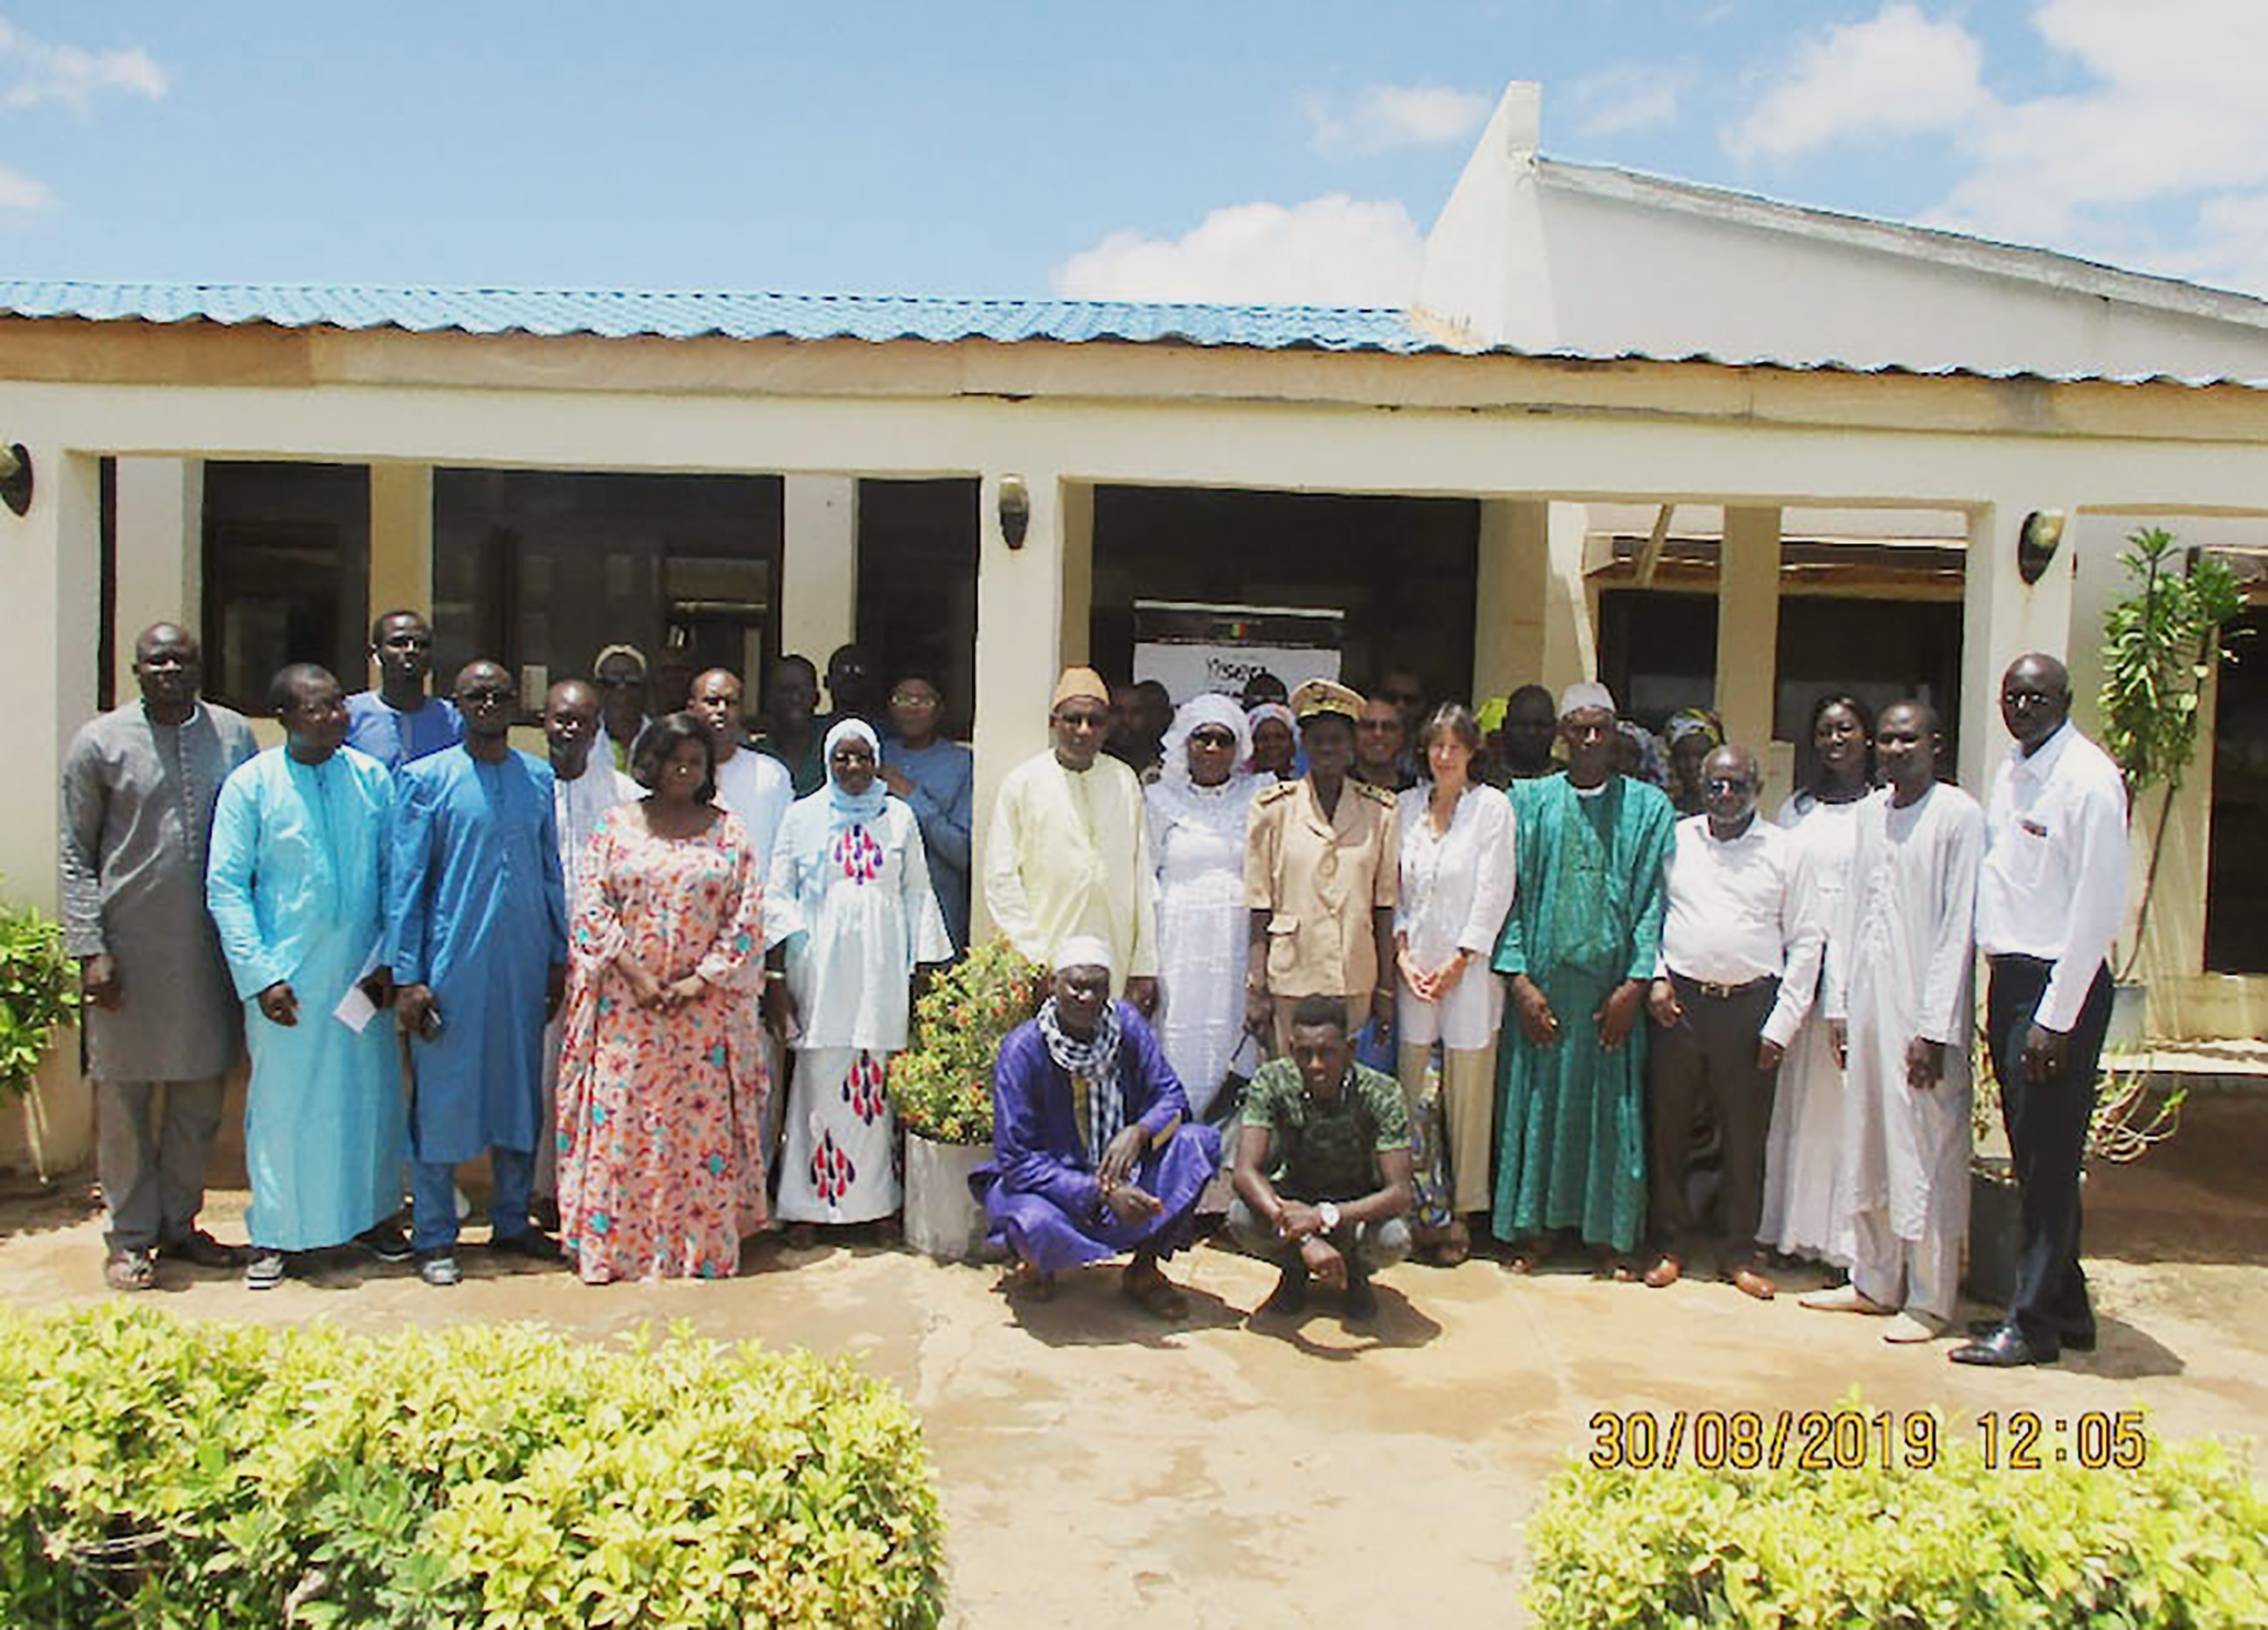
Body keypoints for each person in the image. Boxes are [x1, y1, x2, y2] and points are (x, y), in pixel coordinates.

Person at [60, 622, 258, 1291]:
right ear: (136, 668)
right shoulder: (99, 742)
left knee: (200, 1097)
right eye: (157, 660)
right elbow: (74, 854)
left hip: (209, 948)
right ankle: (130, 1236)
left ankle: (179, 1224)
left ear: (202, 666)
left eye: (183, 658)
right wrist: (90, 947)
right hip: (128, 953)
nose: (170, 668)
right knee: (124, 1102)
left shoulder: (232, 735)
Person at [206, 665, 410, 1287]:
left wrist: (388, 965)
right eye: (316, 708)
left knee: (369, 1098)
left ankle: (374, 1217)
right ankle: (277, 1233)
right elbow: (226, 886)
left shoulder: (371, 779)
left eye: (337, 707)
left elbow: (396, 878)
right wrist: (260, 975)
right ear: (285, 716)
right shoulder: (252, 786)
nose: (333, 718)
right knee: (284, 1107)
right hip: (286, 983)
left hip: (364, 976)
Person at [1952, 654, 2128, 1368]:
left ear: (2066, 698)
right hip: (2014, 977)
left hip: (2061, 987)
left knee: (2049, 1164)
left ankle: (2031, 1325)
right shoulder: (2013, 768)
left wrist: (2057, 1016)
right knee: (2035, 1157)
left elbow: (2098, 907)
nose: (2021, 706)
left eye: (2037, 695)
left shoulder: (2088, 779)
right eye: (2012, 695)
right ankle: (2069, 1304)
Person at [555, 713, 769, 1283]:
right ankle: (616, 1251)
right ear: (648, 761)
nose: (684, 768)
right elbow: (591, 907)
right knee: (626, 1124)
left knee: (696, 1135)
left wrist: (699, 981)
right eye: (673, 757)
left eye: (695, 760)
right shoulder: (615, 826)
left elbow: (746, 917)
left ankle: (697, 1251)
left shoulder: (729, 832)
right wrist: (637, 975)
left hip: (703, 1015)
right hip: (628, 1011)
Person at [1802, 702, 1983, 1343]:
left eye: (1909, 739)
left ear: (1937, 742)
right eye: (1886, 740)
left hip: (1924, 1016)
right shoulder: (1871, 814)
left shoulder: (1959, 817)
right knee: (1870, 1139)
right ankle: (1874, 1278)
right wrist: (1841, 1005)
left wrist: (1935, 1028)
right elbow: (1851, 914)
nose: (1896, 749)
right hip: (1869, 1007)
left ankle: (1931, 1299)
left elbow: (1957, 927)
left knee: (1926, 1147)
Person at [388, 660, 570, 1286]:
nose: (489, 704)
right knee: (443, 1098)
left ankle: (512, 1221)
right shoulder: (424, 780)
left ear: (515, 704)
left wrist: (557, 954)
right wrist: (408, 974)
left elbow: (550, 871)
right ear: (457, 704)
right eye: (476, 695)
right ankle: (435, 1234)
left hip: (521, 964)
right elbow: (408, 881)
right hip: (450, 965)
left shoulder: (537, 778)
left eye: (499, 695)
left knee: (519, 1094)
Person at [1491, 682, 1674, 1274]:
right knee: (1540, 1107)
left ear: (1617, 733)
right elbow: (1507, 897)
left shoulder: (1648, 808)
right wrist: (1518, 981)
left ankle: (1608, 1232)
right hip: (1543, 991)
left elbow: (1655, 901)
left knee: (1608, 1114)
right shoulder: (1529, 802)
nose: (1591, 739)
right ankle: (1534, 1229)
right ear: (1563, 736)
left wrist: (1636, 981)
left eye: (1602, 728)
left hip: (1610, 997)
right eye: (1580, 729)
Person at [1642, 745, 1824, 1301]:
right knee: (1668, 1131)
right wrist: (1655, 977)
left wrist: (1781, 1026)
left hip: (1750, 1009)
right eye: (1715, 785)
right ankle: (1670, 1243)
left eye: (1737, 786)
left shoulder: (1786, 851)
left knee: (1744, 1139)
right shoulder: (1678, 840)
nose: (1725, 796)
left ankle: (1738, 1251)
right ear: (1700, 786)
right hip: (1680, 1005)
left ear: (1756, 789)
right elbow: (1651, 913)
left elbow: (1808, 940)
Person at [765, 719, 952, 1241]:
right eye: (842, 758)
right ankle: (806, 1209)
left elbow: (917, 894)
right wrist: (777, 977)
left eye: (862, 757)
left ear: (876, 761)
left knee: (872, 1090)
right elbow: (777, 897)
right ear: (828, 762)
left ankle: (874, 1208)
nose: (852, 768)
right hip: (819, 974)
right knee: (816, 1090)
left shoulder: (900, 819)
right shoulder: (801, 817)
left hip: (879, 974)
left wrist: (924, 973)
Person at [970, 941, 1221, 1316]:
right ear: (1054, 984)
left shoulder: (1127, 1025)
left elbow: (1172, 1097)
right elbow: (1017, 1159)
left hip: (1125, 1173)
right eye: (1076, 986)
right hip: (1054, 1189)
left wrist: (1139, 1132)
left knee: (1196, 1144)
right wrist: (1100, 1193)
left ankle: (1144, 1270)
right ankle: (1041, 1262)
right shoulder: (1023, 1049)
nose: (1087, 997)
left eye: (1098, 987)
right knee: (1031, 1222)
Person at [1394, 703, 1516, 1263]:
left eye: (1455, 747)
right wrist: (1401, 955)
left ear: (1472, 753)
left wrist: (1461, 961)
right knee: (1413, 1087)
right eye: (1436, 746)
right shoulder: (1405, 807)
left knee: (1467, 1091)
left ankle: (1462, 1212)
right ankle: (1418, 1208)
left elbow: (1494, 891)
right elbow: (1394, 892)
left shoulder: (1491, 810)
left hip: (1467, 972)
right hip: (1414, 970)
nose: (1444, 756)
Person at [1759, 694, 1875, 1270]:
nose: (1835, 740)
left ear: (1868, 737)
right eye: (1825, 730)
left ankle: (1846, 1244)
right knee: (1799, 1107)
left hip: (1859, 977)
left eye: (1846, 729)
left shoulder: (1883, 809)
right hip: (1800, 974)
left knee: (1846, 1109)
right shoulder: (1795, 810)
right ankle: (1794, 1233)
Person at [983, 667, 1159, 1011]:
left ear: (1107, 726)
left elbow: (1142, 876)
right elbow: (1000, 879)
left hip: (1115, 951)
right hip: (1047, 955)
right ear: (1054, 722)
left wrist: (1144, 964)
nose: (1083, 730)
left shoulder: (1124, 781)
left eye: (1094, 721)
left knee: (1108, 1054)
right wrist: (1033, 958)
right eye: (1073, 719)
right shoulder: (1024, 784)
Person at [1228, 995, 1415, 1319]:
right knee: (1241, 1217)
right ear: (1290, 1048)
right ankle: (1294, 1273)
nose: (1315, 1065)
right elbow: (1245, 1172)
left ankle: (1356, 1274)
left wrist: (1324, 1217)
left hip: (1355, 1210)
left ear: (1350, 1049)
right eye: (1304, 1053)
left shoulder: (1382, 1093)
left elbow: (1399, 1192)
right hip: (1293, 1204)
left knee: (1393, 1239)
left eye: (1327, 1053)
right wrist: (1303, 1237)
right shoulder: (1272, 1081)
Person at [533, 678, 641, 1227]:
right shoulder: (527, 786)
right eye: (560, 718)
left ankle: (590, 1187)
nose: (570, 729)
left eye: (582, 720)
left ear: (598, 728)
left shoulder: (623, 796)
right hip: (538, 963)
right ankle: (541, 1192)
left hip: (609, 966)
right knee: (542, 1079)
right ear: (544, 721)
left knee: (596, 1082)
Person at [1244, 680, 1399, 1057]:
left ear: (1352, 746)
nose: (1327, 748)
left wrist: (1384, 991)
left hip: (1353, 975)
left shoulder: (1381, 812)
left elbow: (1383, 909)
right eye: (1318, 739)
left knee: (1346, 1096)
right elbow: (1259, 907)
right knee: (1290, 1092)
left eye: (1337, 739)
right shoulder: (1272, 809)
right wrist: (1256, 988)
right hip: (1291, 976)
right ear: (1304, 744)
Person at [1144, 694, 1260, 1118]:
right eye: (1203, 738)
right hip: (1176, 947)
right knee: (1179, 1036)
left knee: (1232, 1036)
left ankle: (1227, 1150)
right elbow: (1145, 879)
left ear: (1238, 748)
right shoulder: (1158, 800)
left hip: (1234, 945)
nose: (1212, 749)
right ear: (1184, 744)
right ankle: (1173, 1138)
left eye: (1223, 740)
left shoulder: (1258, 798)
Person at [878, 669, 974, 954]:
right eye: (903, 699)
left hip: (939, 912)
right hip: (881, 908)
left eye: (924, 701)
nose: (913, 708)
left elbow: (961, 853)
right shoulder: (875, 755)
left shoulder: (961, 763)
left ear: (940, 709)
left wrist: (912, 796)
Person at [690, 668, 793, 869]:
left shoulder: (771, 774)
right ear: (691, 709)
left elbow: (786, 851)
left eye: (731, 703)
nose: (721, 710)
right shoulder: (675, 776)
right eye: (712, 702)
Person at [344, 610, 463, 772]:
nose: (411, 650)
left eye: (422, 644)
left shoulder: (453, 720)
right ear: (375, 654)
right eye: (399, 643)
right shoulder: (348, 716)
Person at [754, 654, 826, 797]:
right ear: (769, 699)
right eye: (786, 690)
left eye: (802, 691)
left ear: (816, 697)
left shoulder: (834, 750)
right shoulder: (756, 757)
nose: (795, 698)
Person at [592, 644, 652, 773]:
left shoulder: (662, 739)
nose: (622, 690)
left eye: (632, 681)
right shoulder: (584, 741)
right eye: (611, 681)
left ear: (645, 688)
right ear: (598, 689)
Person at [1662, 707, 1724, 817]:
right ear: (1672, 761)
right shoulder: (1662, 812)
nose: (1692, 765)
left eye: (1702, 754)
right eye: (1683, 756)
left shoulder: (1732, 810)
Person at [1376, 663, 1427, 786]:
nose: (1400, 706)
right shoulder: (1356, 747)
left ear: (1422, 705)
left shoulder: (1429, 752)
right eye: (1391, 698)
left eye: (1410, 700)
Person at [1496, 685, 1559, 780]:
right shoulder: (1482, 780)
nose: (1532, 733)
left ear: (1555, 728)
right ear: (1505, 726)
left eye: (1540, 725)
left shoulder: (1574, 780)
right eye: (1522, 724)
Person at [1106, 679, 1164, 781]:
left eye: (1135, 712)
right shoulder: (1091, 760)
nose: (1125, 719)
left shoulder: (1166, 762)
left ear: (1147, 716)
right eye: (1118, 711)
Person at [820, 642, 883, 732]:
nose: (851, 679)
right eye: (842, 672)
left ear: (873, 681)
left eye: (860, 672)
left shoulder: (889, 733)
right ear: (826, 682)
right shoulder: (812, 732)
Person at [1354, 696, 1412, 793]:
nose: (1378, 734)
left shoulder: (1420, 796)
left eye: (1388, 727)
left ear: (1402, 736)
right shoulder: (1336, 787)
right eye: (1368, 726)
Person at [1244, 701, 1298, 782]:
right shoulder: (1237, 790)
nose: (1272, 744)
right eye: (1264, 738)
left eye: (1280, 737)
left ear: (1293, 744)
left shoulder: (1309, 787)